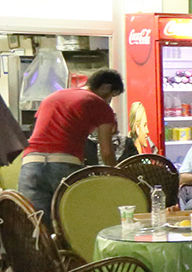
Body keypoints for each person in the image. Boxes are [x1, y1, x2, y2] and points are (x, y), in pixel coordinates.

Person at [16, 69, 121, 227]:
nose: (110, 101)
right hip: (64, 164)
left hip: (31, 163)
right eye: (112, 96)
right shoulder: (101, 105)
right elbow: (106, 152)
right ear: (106, 87)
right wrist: (117, 177)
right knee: (72, 226)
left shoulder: (53, 97)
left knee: (36, 227)